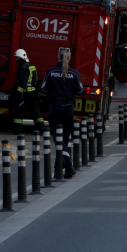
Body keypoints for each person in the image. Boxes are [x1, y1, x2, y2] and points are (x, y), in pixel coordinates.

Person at [42, 48, 83, 178]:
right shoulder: (74, 73)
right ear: (69, 58)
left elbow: (44, 88)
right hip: (69, 107)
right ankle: (60, 164)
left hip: (55, 106)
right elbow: (80, 90)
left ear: (58, 57)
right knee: (65, 137)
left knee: (57, 138)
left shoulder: (51, 72)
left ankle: (68, 165)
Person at [11, 48, 44, 133]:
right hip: (34, 94)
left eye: (18, 58)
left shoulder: (23, 68)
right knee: (36, 112)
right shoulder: (32, 66)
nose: (17, 60)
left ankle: (16, 129)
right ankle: (41, 129)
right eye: (16, 58)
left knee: (19, 110)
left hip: (26, 94)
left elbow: (22, 83)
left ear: (23, 57)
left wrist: (18, 93)